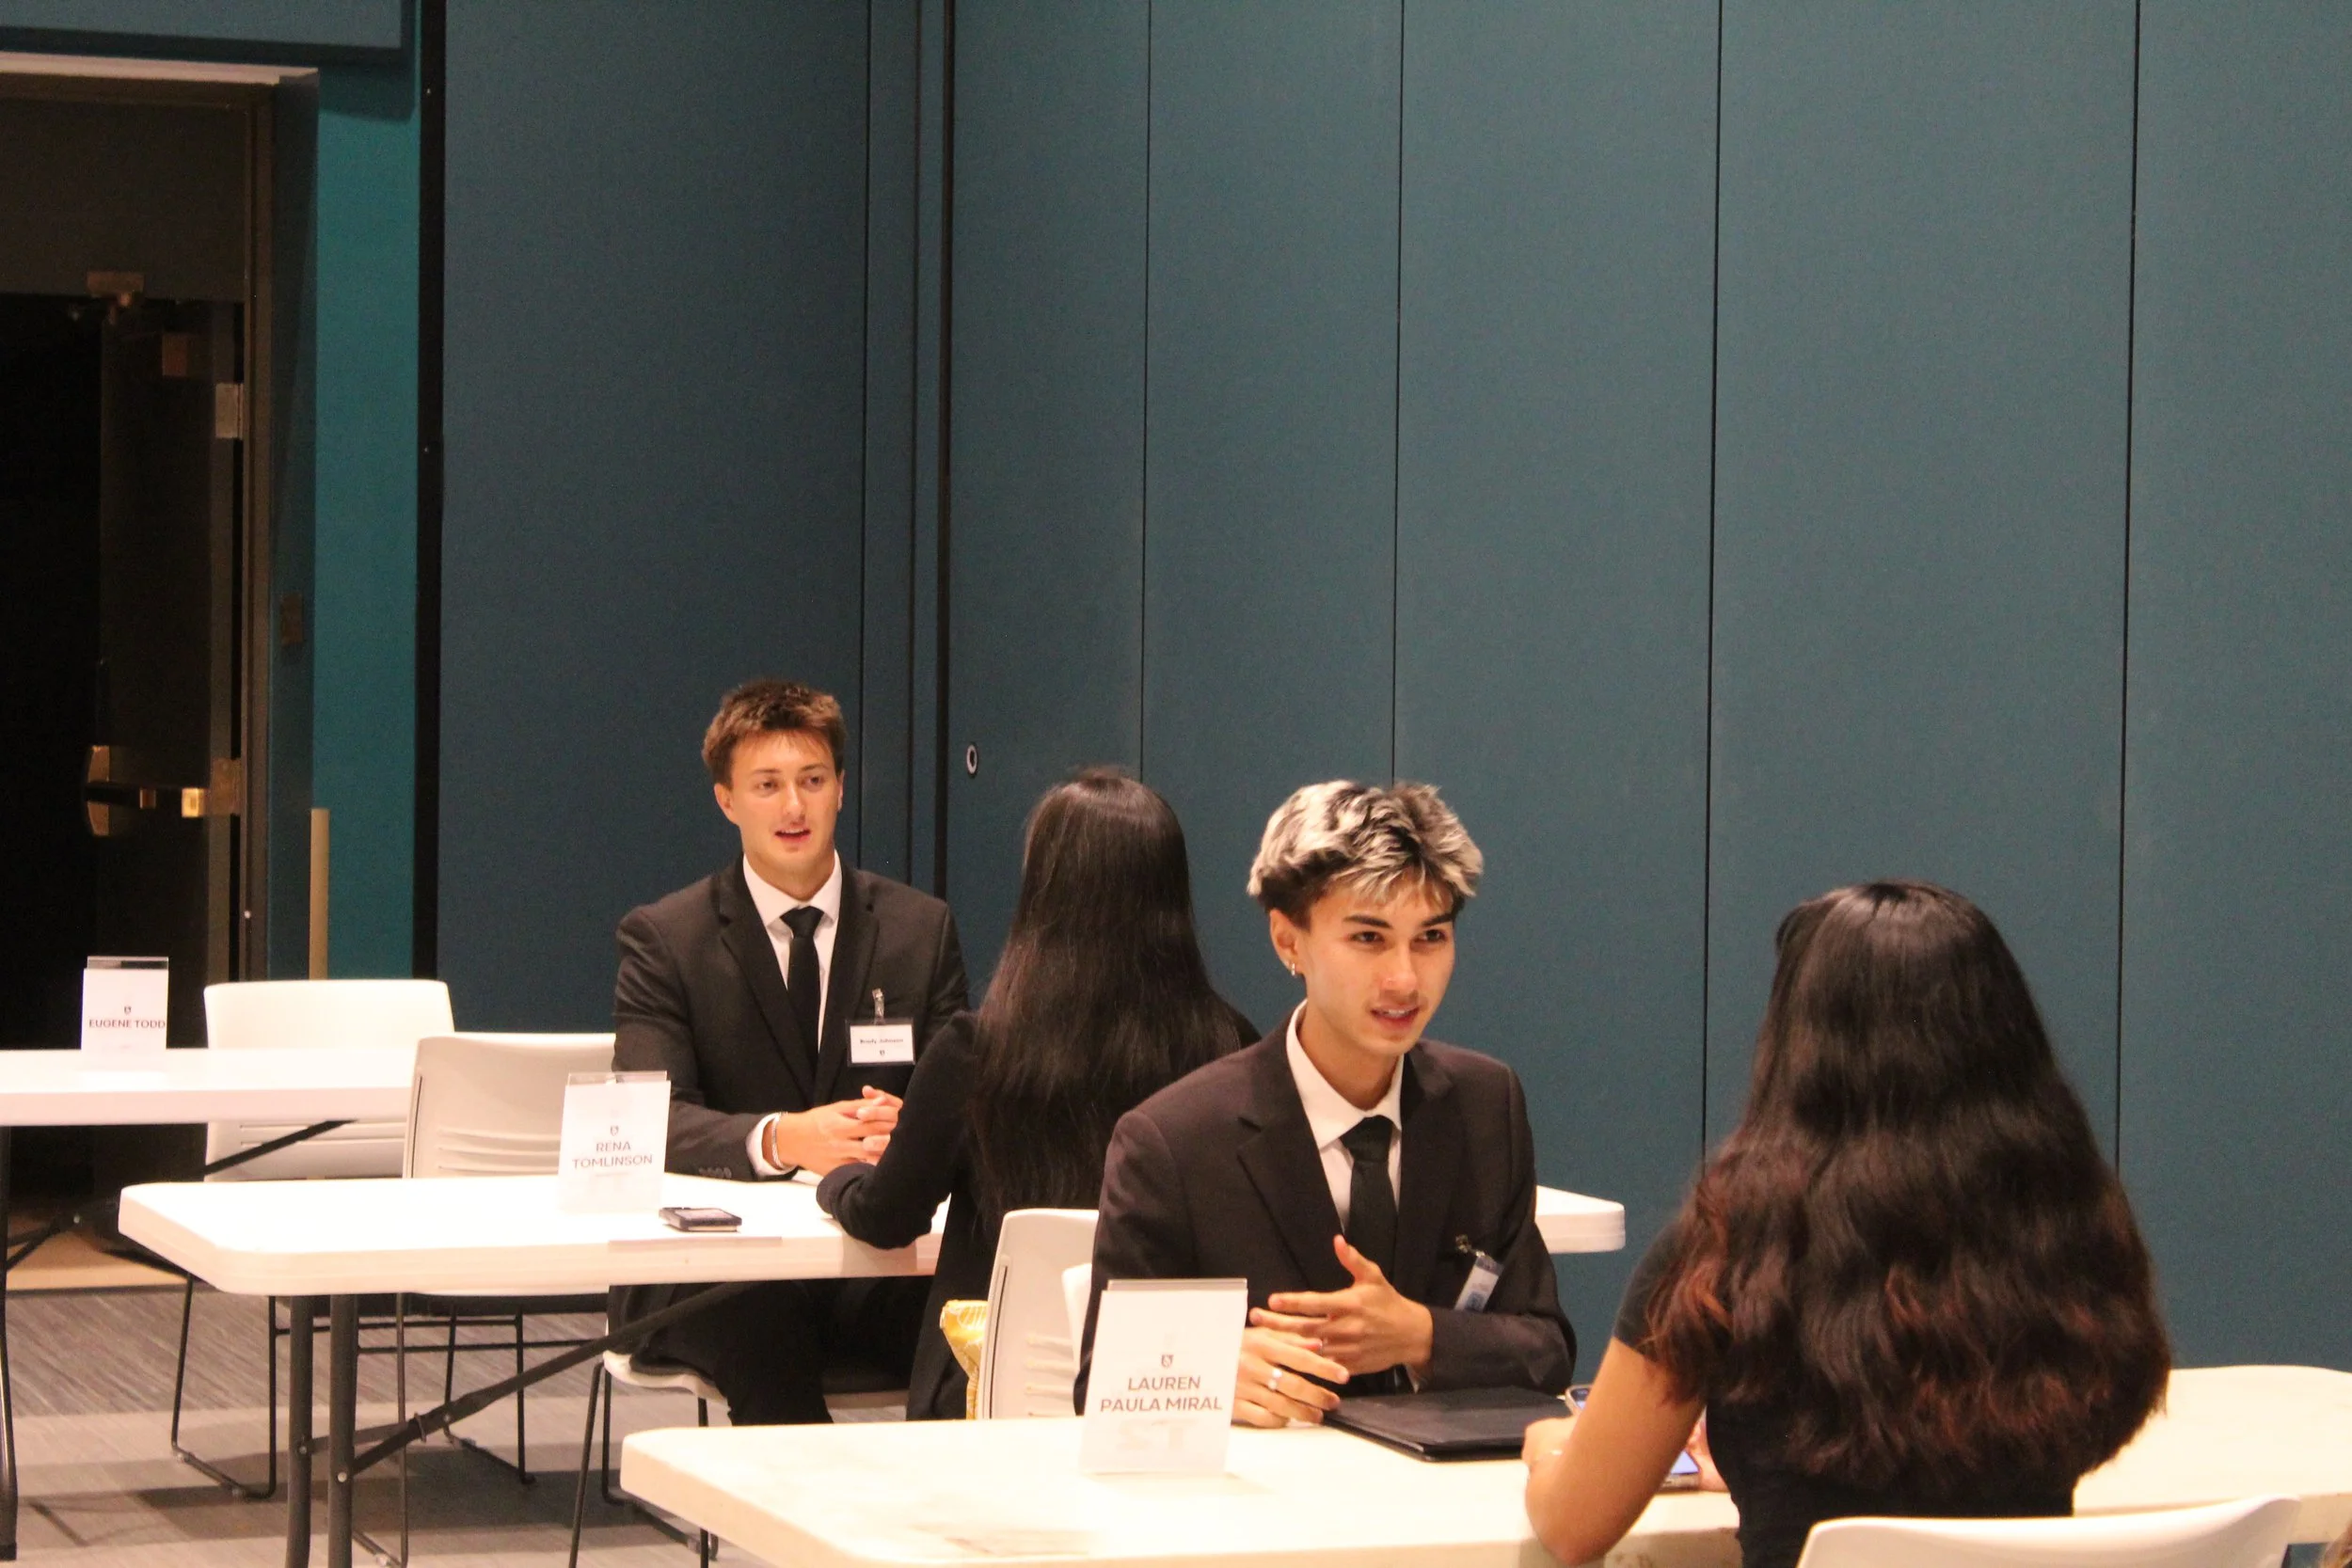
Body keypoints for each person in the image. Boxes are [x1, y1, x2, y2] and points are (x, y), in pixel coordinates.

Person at [1522, 881, 2169, 1568]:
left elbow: (1573, 1527)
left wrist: (1551, 1450)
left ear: (1800, 1048)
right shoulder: (2065, 1229)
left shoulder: (1733, 1246)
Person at [1082, 781, 1575, 1424]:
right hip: (1264, 1480)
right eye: (1368, 938)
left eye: (1431, 937)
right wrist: (1206, 1370)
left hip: (1440, 1481)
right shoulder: (1175, 1141)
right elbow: (1102, 1382)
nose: (1404, 978)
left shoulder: (1486, 1105)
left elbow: (1546, 1348)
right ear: (1289, 941)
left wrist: (1422, 1334)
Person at [816, 768, 1255, 1418]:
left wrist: (840, 1179)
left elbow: (887, 1217)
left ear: (1042, 893)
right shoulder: (1232, 1049)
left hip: (982, 1395)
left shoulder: (977, 1051)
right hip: (1170, 1397)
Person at [608, 678, 969, 1425]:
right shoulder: (666, 939)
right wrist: (780, 1137)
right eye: (767, 785)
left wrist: (914, 1125)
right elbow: (649, 1121)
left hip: (874, 1255)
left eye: (812, 780)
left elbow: (963, 1102)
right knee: (765, 1334)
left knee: (969, 1336)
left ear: (841, 788)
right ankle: (811, 1505)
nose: (794, 807)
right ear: (726, 800)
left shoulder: (920, 929)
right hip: (718, 1270)